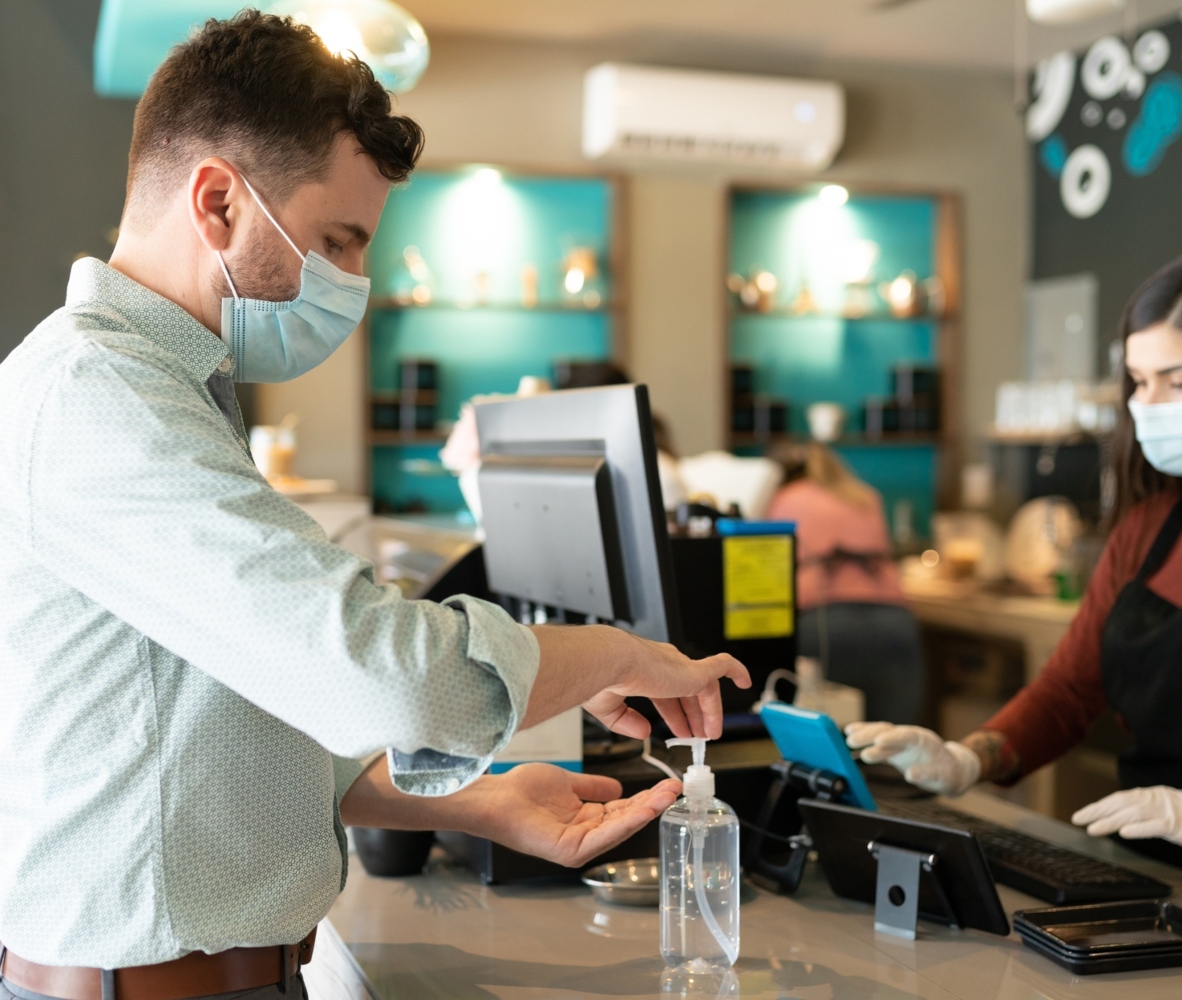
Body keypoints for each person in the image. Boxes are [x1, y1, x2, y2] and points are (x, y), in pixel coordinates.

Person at [0, 13, 748, 998]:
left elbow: (235, 725)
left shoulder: (161, 390)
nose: (350, 284)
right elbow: (384, 676)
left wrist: (482, 802)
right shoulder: (101, 396)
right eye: (334, 242)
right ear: (217, 200)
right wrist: (614, 650)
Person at [848, 245, 1182, 935]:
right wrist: (969, 758)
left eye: (1180, 380)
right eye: (1139, 382)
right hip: (1142, 896)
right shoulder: (1150, 526)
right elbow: (1070, 692)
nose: (1150, 406)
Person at [766, 442, 924, 723]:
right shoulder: (865, 496)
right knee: (892, 740)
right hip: (893, 622)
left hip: (823, 622)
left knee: (832, 735)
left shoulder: (785, 497)